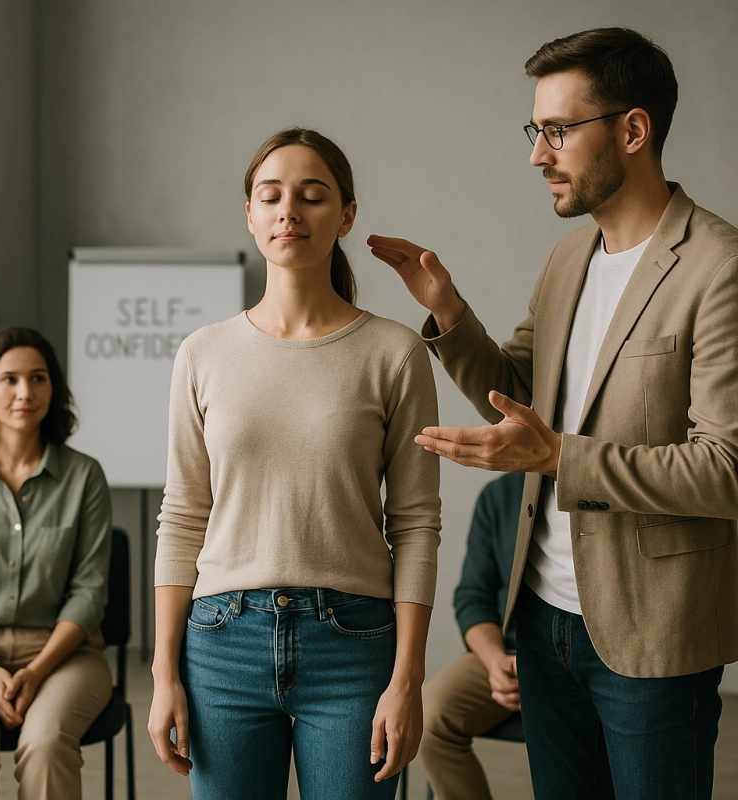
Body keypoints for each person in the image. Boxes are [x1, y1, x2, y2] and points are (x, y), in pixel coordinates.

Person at [368, 27, 738, 800]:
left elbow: (724, 469)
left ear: (633, 130)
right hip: (540, 621)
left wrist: (560, 459)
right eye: (535, 130)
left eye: (558, 130)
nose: (538, 154)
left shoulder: (720, 268)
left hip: (652, 635)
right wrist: (449, 312)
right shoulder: (568, 259)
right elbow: (519, 394)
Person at [148, 127, 441, 800]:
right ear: (249, 214)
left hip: (355, 644)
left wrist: (407, 679)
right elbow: (182, 516)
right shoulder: (202, 353)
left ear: (346, 215)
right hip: (221, 644)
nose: (289, 212)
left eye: (312, 196)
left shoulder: (394, 353)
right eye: (270, 196)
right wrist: (166, 673)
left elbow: (417, 524)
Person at [0, 327, 113, 800]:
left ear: (52, 389)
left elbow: (89, 592)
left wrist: (35, 672)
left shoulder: (84, 476)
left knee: (46, 741)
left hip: (65, 655)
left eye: (38, 379)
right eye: (10, 379)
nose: (24, 393)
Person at [421, 472, 522, 800]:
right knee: (429, 715)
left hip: (586, 655)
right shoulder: (501, 495)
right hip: (505, 651)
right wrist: (495, 662)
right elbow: (473, 597)